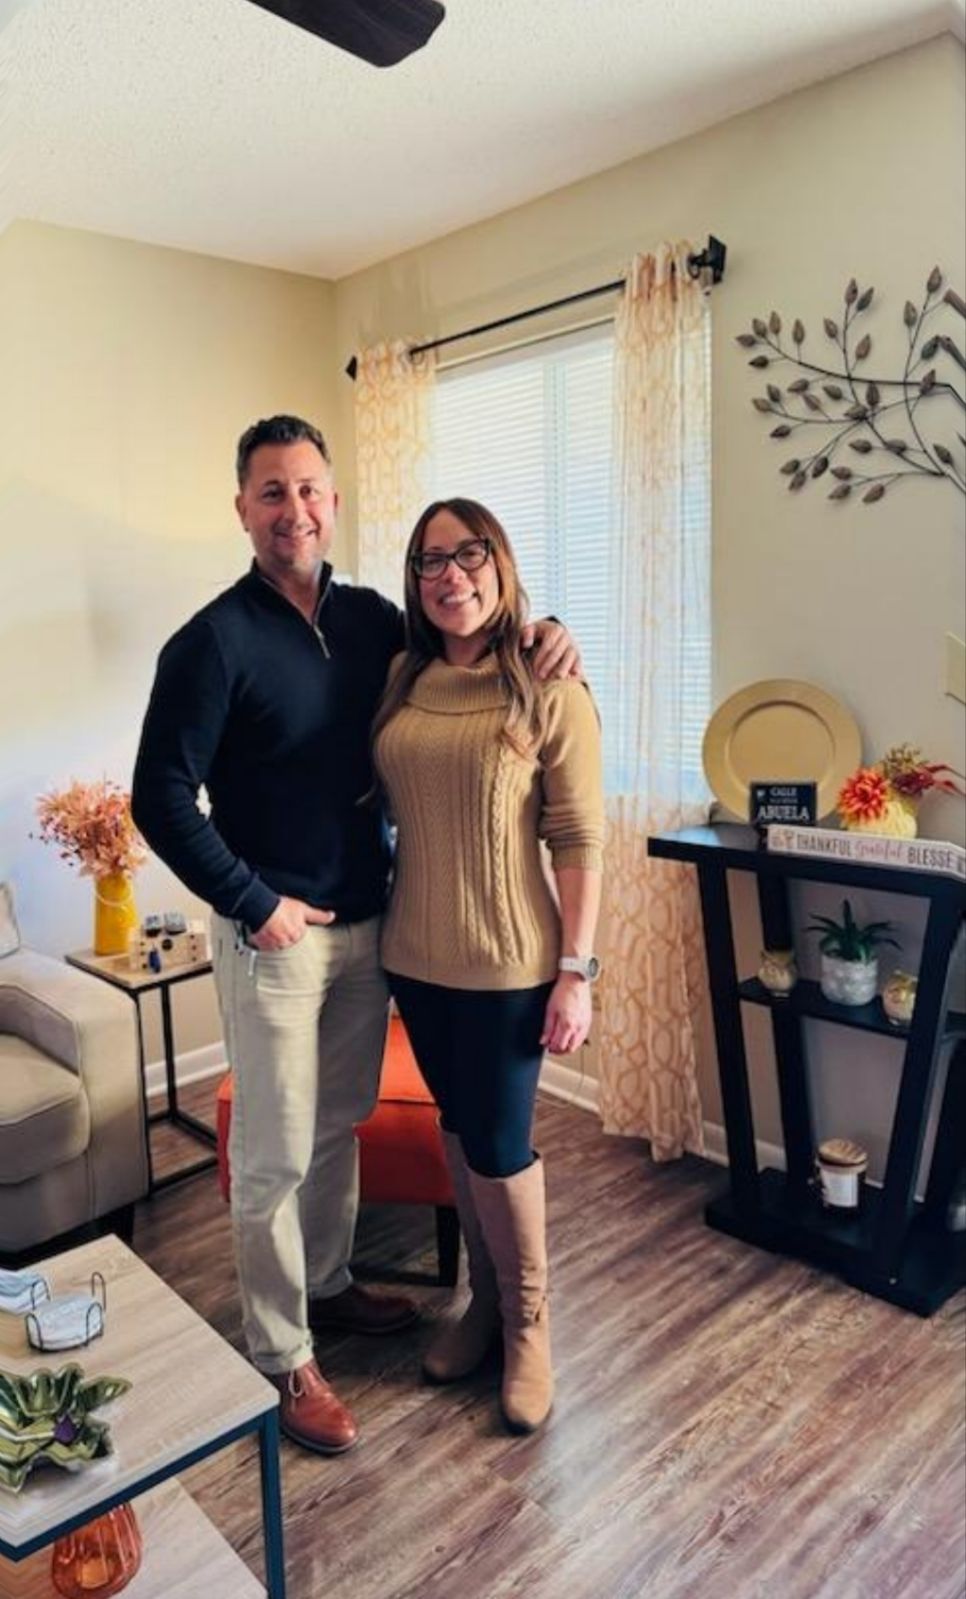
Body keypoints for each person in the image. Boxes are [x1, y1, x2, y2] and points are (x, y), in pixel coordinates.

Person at [131, 415, 579, 1457]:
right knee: (276, 1155)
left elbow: (468, 642)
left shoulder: (377, 618)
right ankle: (284, 1353)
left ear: (334, 502)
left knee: (335, 1125)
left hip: (373, 926)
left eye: (311, 490)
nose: (295, 510)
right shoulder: (209, 643)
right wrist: (253, 899)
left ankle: (327, 1286)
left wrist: (551, 630)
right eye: (272, 492)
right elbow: (160, 795)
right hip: (273, 937)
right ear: (243, 509)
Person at [371, 497, 604, 1433]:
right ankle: (482, 1303)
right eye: (431, 561)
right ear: (415, 581)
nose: (450, 575)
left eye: (470, 555)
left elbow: (580, 836)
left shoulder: (550, 686)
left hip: (511, 964)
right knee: (461, 1134)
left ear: (501, 568)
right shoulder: (400, 676)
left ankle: (531, 1327)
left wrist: (577, 970)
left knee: (503, 1146)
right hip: (415, 958)